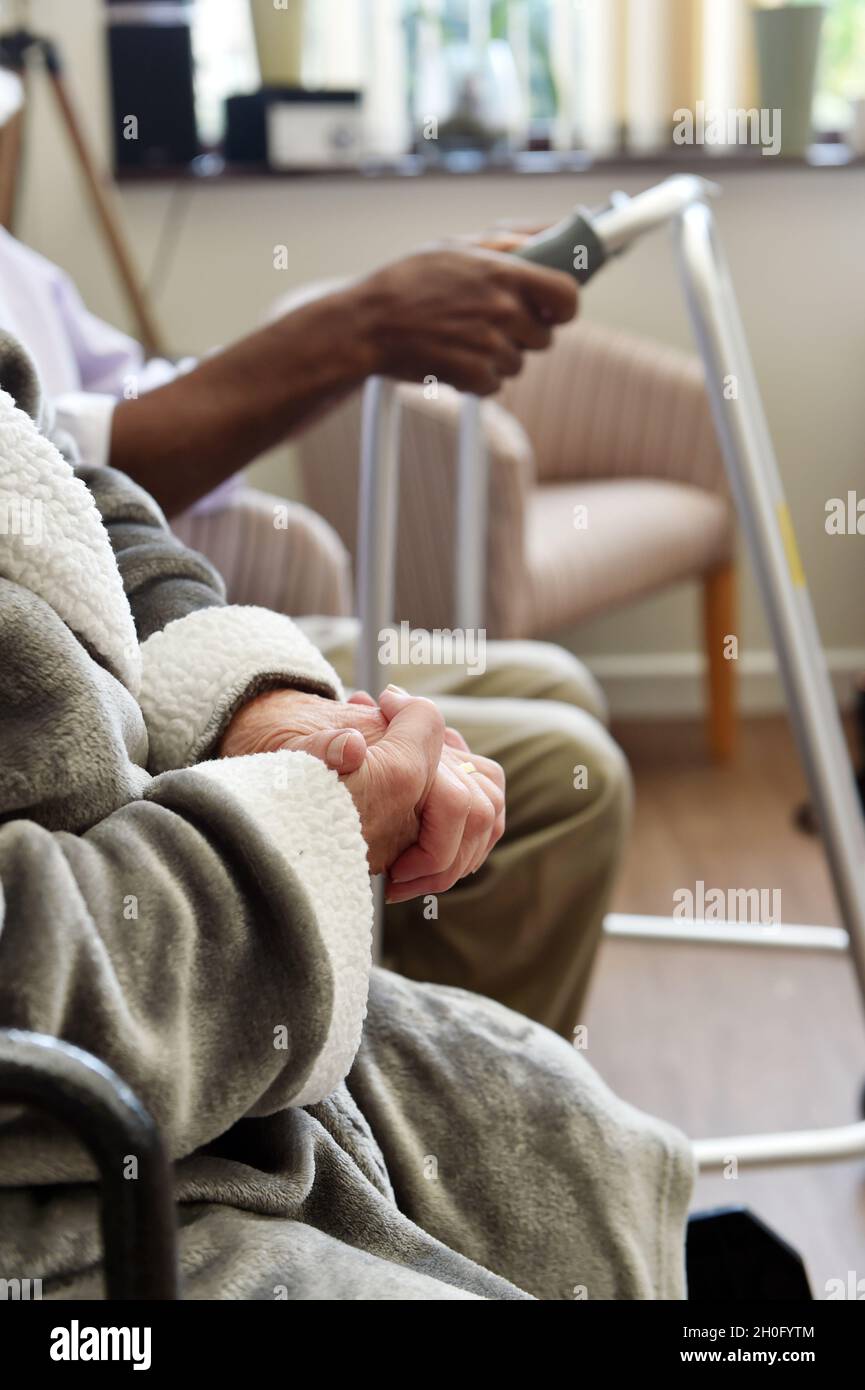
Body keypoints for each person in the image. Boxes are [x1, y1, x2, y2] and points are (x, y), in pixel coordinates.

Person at [0, 334, 693, 1300]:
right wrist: (293, 830)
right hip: (64, 1160)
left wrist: (256, 703)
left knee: (568, 1120)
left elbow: (68, 487)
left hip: (175, 994)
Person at [0, 225, 629, 1037]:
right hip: (111, 684)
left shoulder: (19, 263)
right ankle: (403, 1049)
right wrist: (362, 326)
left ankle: (416, 1013)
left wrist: (251, 693)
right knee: (568, 770)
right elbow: (75, 488)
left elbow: (93, 472)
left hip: (169, 625)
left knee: (553, 685)